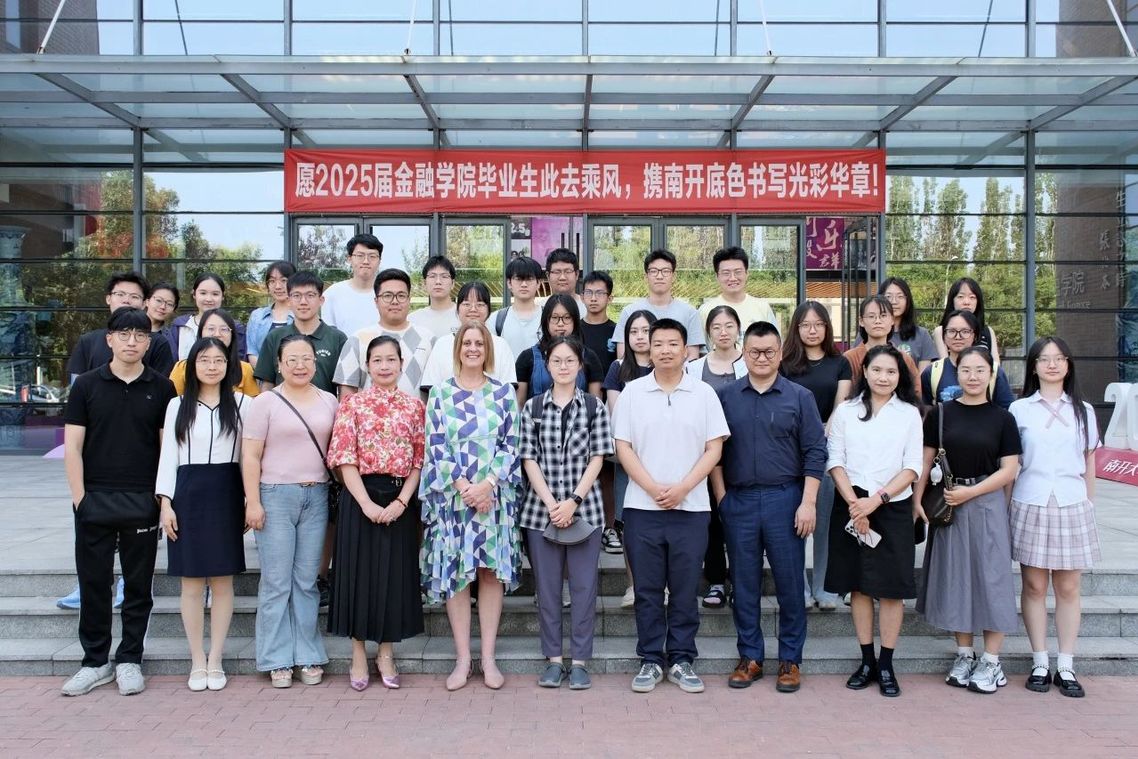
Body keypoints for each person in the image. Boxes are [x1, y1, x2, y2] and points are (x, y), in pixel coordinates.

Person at [60, 307, 176, 697]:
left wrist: (161, 499)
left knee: (138, 588)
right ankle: (94, 662)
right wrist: (80, 500)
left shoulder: (162, 388)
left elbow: (166, 451)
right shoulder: (86, 385)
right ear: (109, 339)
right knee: (94, 584)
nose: (132, 341)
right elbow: (72, 447)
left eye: (140, 335)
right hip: (94, 499)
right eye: (124, 334)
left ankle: (129, 659)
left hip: (141, 501)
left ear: (149, 342)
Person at [614, 318, 729, 695]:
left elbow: (714, 448)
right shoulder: (632, 392)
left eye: (672, 343)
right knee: (647, 590)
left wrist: (682, 488)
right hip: (641, 508)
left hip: (691, 508)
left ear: (686, 350)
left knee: (683, 588)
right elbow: (623, 447)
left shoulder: (703, 394)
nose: (665, 350)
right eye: (658, 343)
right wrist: (651, 487)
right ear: (648, 348)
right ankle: (650, 659)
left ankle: (681, 659)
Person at [711, 321, 825, 694]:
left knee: (790, 584)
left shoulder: (800, 397)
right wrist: (722, 499)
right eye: (755, 351)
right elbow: (715, 452)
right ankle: (751, 657)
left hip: (786, 500)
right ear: (743, 353)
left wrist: (808, 502)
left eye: (769, 352)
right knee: (744, 585)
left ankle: (790, 660)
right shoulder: (726, 397)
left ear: (780, 353)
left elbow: (815, 452)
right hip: (739, 501)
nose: (762, 358)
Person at [420, 321, 522, 691]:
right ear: (458, 348)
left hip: (493, 497)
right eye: (467, 343)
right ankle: (463, 658)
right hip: (455, 498)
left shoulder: (503, 393)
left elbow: (511, 443)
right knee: (458, 576)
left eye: (480, 343)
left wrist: (487, 485)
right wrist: (465, 487)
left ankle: (489, 657)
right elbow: (436, 445)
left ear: (488, 349)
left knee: (490, 572)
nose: (473, 348)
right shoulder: (441, 393)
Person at [914, 346, 1022, 695]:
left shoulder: (1003, 418)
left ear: (991, 374)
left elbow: (1009, 469)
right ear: (955, 373)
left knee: (992, 580)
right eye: (966, 370)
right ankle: (964, 654)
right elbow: (925, 461)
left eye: (980, 370)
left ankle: (991, 660)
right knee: (956, 579)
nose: (972, 376)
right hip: (949, 504)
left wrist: (971, 493)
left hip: (986, 503)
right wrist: (917, 501)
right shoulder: (940, 414)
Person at [326, 336, 425, 691]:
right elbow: (343, 457)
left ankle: (385, 652)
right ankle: (357, 652)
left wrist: (402, 502)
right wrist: (366, 503)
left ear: (401, 364)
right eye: (377, 360)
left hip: (400, 499)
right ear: (367, 366)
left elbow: (419, 459)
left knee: (393, 576)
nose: (384, 366)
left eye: (390, 359)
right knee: (357, 574)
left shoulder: (414, 407)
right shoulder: (352, 405)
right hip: (359, 496)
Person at [825, 344, 924, 698]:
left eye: (891, 372)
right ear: (864, 371)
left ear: (900, 377)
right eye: (877, 370)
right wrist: (855, 503)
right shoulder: (846, 411)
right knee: (859, 586)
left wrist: (875, 501)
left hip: (891, 507)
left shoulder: (909, 414)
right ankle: (866, 660)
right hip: (851, 504)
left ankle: (886, 663)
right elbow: (835, 460)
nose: (884, 377)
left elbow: (912, 466)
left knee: (892, 589)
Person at [242, 334, 339, 688]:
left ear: (316, 362)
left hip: (317, 496)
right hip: (275, 496)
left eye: (306, 359)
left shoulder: (329, 400)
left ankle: (308, 653)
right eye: (292, 360)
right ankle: (276, 658)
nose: (300, 366)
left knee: (306, 580)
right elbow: (250, 455)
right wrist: (253, 501)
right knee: (276, 581)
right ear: (279, 365)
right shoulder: (265, 402)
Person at [519, 336, 614, 690]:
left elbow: (598, 457)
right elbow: (528, 458)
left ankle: (580, 661)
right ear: (547, 365)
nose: (563, 367)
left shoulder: (593, 406)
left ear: (580, 365)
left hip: (585, 511)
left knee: (584, 588)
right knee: (547, 590)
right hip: (539, 512)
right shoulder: (533, 408)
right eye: (556, 361)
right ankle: (554, 660)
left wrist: (573, 500)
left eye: (569, 361)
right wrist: (550, 503)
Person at [156, 336, 249, 692]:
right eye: (204, 360)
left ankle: (216, 658)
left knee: (223, 582)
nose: (212, 366)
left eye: (219, 360)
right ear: (192, 365)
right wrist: (165, 502)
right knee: (192, 583)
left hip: (227, 493)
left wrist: (249, 499)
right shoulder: (176, 405)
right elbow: (168, 455)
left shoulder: (244, 404)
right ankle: (197, 659)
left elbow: (249, 458)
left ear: (229, 365)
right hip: (187, 495)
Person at [1010, 337, 1101, 697]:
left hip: (1071, 502)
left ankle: (1065, 663)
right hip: (1030, 500)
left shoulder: (1084, 411)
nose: (1052, 364)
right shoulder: (1019, 409)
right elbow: (1012, 464)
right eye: (1045, 359)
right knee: (1033, 586)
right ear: (1033, 367)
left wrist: (1089, 503)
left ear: (1068, 365)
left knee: (1068, 587)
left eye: (1059, 358)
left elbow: (1089, 461)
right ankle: (1039, 660)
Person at [781, 301, 851, 610]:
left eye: (819, 324)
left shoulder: (840, 363)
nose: (812, 330)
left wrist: (822, 433)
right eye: (806, 325)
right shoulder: (785, 364)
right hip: (790, 449)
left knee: (823, 522)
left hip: (827, 446)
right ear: (796, 328)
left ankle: (823, 588)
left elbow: (841, 405)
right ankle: (801, 588)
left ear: (827, 327)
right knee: (794, 523)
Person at [685, 306, 746, 610]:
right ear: (708, 332)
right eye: (717, 327)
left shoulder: (750, 362)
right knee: (712, 519)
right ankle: (717, 580)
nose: (723, 332)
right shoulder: (694, 368)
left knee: (741, 520)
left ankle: (741, 579)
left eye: (729, 325)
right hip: (705, 454)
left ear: (738, 329)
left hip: (743, 452)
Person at [603, 310, 657, 605]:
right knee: (628, 523)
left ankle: (660, 586)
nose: (639, 337)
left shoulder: (667, 366)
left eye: (645, 331)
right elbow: (616, 412)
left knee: (659, 521)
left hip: (661, 456)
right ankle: (633, 585)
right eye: (634, 331)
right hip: (628, 456)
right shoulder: (618, 368)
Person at [335, 268, 434, 398]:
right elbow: (346, 393)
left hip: (418, 411)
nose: (395, 301)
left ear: (409, 299)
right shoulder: (357, 339)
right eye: (387, 296)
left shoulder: (428, 339)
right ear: (376, 301)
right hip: (368, 411)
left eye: (401, 296)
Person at [67, 272, 175, 382]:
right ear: (108, 299)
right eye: (120, 294)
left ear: (144, 304)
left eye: (134, 296)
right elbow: (76, 385)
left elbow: (161, 387)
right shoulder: (87, 341)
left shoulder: (158, 344)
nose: (126, 300)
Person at [255, 271, 347, 396]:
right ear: (288, 300)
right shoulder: (274, 337)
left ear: (321, 300)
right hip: (282, 407)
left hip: (325, 408)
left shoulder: (337, 338)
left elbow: (344, 387)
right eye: (296, 295)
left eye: (310, 295)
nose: (303, 301)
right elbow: (267, 383)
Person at [419, 281, 517, 392]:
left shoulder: (501, 345)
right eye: (466, 304)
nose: (473, 309)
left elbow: (508, 391)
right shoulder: (442, 344)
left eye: (480, 304)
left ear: (489, 309)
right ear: (457, 308)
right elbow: (431, 390)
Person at [613, 250, 704, 361]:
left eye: (665, 271)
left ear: (674, 276)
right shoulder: (629, 312)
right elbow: (622, 356)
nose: (659, 276)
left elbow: (693, 357)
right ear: (646, 276)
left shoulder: (690, 313)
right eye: (653, 271)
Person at [515, 294, 604, 403]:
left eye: (567, 318)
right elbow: (519, 404)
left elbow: (596, 403)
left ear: (575, 321)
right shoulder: (527, 357)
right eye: (555, 318)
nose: (560, 324)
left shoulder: (589, 357)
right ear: (546, 321)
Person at [920, 310, 1014, 409]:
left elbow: (1006, 409)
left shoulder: (993, 370)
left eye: (965, 332)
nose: (958, 337)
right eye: (952, 331)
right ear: (944, 336)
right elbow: (924, 409)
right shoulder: (932, 372)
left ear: (975, 336)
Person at [169, 308, 260, 397]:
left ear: (232, 334)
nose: (217, 334)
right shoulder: (182, 368)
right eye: (211, 328)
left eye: (224, 329)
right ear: (200, 332)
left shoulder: (245, 369)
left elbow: (252, 404)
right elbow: (173, 402)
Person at [843, 295, 921, 391]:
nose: (877, 321)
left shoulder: (904, 358)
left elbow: (915, 392)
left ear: (892, 320)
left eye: (883, 316)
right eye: (871, 316)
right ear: (861, 321)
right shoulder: (850, 358)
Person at [698, 245, 780, 335]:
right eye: (726, 273)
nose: (732, 278)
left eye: (738, 272)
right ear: (717, 276)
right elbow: (700, 344)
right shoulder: (705, 311)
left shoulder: (763, 308)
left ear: (747, 273)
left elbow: (775, 341)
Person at [168, 272, 247, 361]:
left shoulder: (234, 327)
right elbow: (172, 361)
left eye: (215, 294)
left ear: (222, 296)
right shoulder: (180, 326)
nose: (209, 299)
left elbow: (239, 361)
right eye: (203, 293)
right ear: (194, 294)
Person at [321, 233, 383, 336]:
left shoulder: (387, 294)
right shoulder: (332, 293)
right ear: (349, 259)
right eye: (360, 256)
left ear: (379, 260)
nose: (366, 261)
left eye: (372, 256)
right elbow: (328, 335)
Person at [488, 256, 544, 358]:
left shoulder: (549, 317)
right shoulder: (495, 319)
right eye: (518, 279)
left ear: (538, 283)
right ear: (509, 283)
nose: (524, 284)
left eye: (529, 279)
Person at [933, 277, 1000, 358]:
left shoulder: (988, 331)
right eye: (961, 297)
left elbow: (996, 364)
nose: (966, 302)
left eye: (972, 297)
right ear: (952, 300)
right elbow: (945, 364)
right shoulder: (941, 331)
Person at [878, 277, 937, 370]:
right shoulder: (868, 332)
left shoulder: (922, 335)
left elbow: (923, 375)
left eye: (900, 296)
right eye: (888, 297)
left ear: (908, 301)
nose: (894, 302)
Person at [246, 261, 296, 369]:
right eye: (272, 281)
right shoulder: (257, 316)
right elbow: (252, 352)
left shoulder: (302, 315)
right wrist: (267, 374)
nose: (278, 286)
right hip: (262, 377)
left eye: (284, 280)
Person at [408, 255, 461, 339]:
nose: (438, 281)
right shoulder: (413, 319)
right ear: (424, 283)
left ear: (453, 283)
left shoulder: (463, 315)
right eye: (432, 276)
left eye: (444, 276)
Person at [579, 270, 617, 370]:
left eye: (599, 293)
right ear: (582, 297)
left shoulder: (617, 331)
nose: (593, 298)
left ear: (610, 298)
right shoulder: (573, 329)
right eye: (588, 293)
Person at [543, 248, 586, 314]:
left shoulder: (587, 306)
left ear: (577, 274)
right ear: (548, 276)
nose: (562, 277)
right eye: (557, 272)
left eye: (568, 271)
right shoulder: (541, 307)